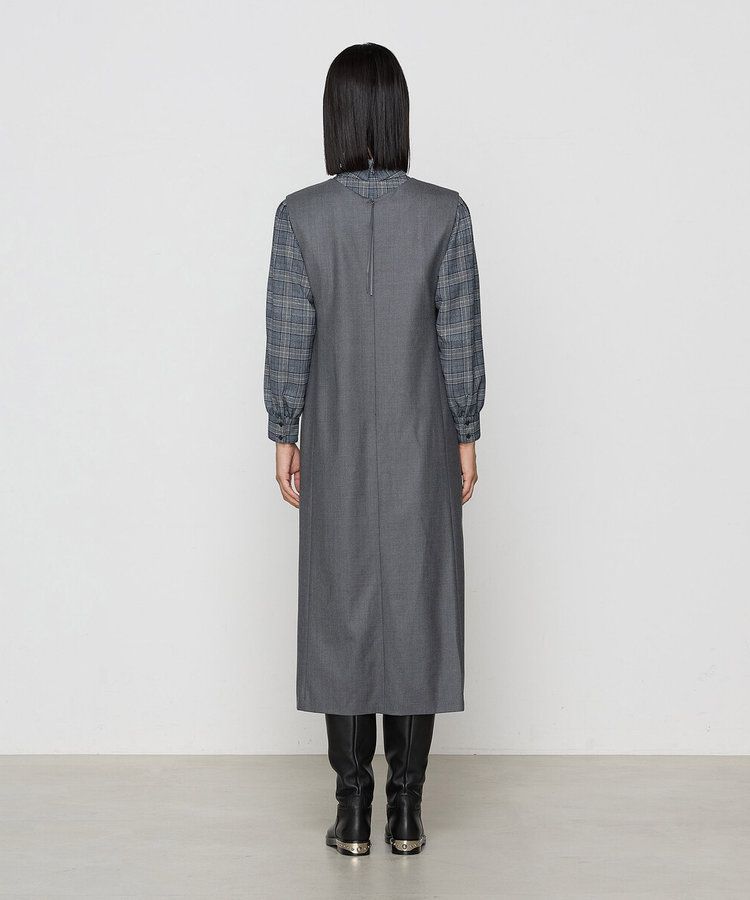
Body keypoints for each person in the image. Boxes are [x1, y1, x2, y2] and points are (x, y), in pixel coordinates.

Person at [263, 42, 486, 856]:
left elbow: (290, 336)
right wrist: (466, 432)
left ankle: (352, 809)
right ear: (398, 115)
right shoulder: (446, 213)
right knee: (418, 605)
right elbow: (459, 337)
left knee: (340, 608)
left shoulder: (299, 216)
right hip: (421, 440)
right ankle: (407, 811)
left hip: (334, 443)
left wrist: (284, 430)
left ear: (335, 117)